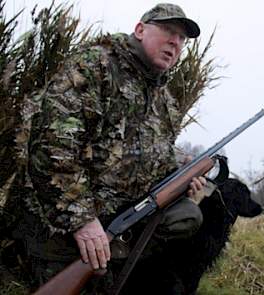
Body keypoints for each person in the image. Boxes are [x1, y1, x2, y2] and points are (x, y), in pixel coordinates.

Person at [12, 3, 206, 293]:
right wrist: (82, 220)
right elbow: (52, 148)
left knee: (187, 214)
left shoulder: (163, 100)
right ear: (140, 30)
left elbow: (155, 159)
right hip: (61, 213)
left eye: (182, 39)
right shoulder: (95, 66)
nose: (175, 42)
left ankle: (114, 252)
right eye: (168, 30)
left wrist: (183, 175)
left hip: (116, 215)